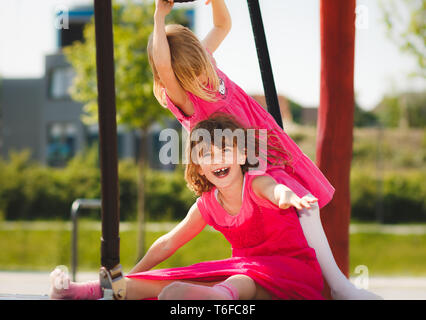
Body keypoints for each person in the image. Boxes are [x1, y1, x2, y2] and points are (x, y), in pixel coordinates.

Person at [148, 0, 381, 299]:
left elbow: (222, 26)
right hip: (245, 157)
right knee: (287, 195)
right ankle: (334, 284)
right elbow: (164, 64)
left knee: (304, 205)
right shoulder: (185, 98)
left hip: (267, 145)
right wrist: (159, 15)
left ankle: (336, 283)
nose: (204, 75)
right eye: (193, 73)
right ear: (177, 78)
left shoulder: (203, 62)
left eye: (203, 66)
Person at [50, 114, 324, 300]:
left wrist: (288, 197)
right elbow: (168, 243)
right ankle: (78, 291)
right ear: (199, 167)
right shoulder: (207, 204)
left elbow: (275, 190)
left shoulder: (256, 184)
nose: (216, 159)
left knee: (242, 280)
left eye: (225, 150)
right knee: (158, 281)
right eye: (206, 154)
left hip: (291, 274)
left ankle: (219, 296)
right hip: (241, 270)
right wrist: (136, 272)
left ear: (242, 155)